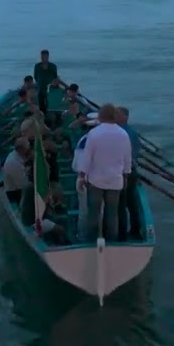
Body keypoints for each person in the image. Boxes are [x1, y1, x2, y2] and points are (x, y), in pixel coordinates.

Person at [75, 103, 131, 242]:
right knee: (112, 214)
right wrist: (125, 176)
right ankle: (112, 242)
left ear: (101, 117)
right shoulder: (123, 134)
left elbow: (87, 159)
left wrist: (82, 176)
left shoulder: (94, 133)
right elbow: (127, 159)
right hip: (115, 180)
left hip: (96, 180)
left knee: (93, 213)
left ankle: (92, 241)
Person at [116, 106, 143, 240]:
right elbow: (137, 150)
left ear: (125, 117)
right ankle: (135, 230)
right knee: (131, 203)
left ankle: (122, 234)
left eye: (118, 115)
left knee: (122, 204)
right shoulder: (129, 132)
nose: (115, 117)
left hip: (124, 172)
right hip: (131, 171)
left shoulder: (123, 133)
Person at [2, 137, 31, 207]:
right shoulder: (14, 163)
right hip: (14, 192)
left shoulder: (14, 155)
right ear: (22, 150)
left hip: (16, 187)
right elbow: (22, 184)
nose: (29, 149)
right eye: (27, 148)